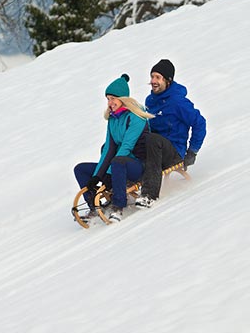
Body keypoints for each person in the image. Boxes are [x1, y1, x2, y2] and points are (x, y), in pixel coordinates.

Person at [74, 74, 154, 222]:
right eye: (108, 99)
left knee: (118, 161)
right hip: (118, 165)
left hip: (137, 166)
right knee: (80, 169)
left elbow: (126, 147)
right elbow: (109, 149)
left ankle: (118, 207)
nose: (110, 103)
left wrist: (109, 175)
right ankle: (94, 207)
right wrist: (97, 176)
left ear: (123, 99)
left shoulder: (136, 117)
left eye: (113, 99)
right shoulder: (113, 119)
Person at [135, 59, 206, 208]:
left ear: (168, 81)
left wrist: (192, 151)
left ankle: (149, 195)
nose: (153, 81)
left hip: (173, 151)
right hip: (154, 150)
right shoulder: (150, 100)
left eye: (158, 78)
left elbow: (200, 123)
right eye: (152, 76)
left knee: (153, 140)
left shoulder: (178, 102)